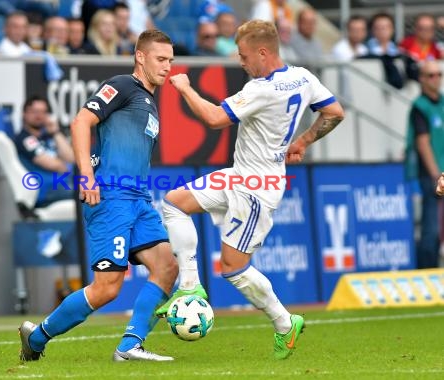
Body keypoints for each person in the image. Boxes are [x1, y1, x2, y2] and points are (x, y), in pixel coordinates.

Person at [155, 19, 344, 360]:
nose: (240, 62)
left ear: (262, 52)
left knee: (233, 268)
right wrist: (303, 140)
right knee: (173, 203)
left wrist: (183, 87)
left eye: (243, 56)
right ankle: (189, 287)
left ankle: (285, 323)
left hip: (256, 189)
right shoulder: (302, 77)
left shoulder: (262, 89)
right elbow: (334, 111)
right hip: (241, 176)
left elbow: (214, 119)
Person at [18, 29, 179, 362]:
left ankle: (130, 345)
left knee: (166, 268)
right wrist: (87, 177)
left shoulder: (149, 100)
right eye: (161, 59)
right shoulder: (122, 85)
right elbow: (80, 122)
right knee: (107, 287)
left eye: (171, 60)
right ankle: (36, 338)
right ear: (140, 56)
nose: (167, 67)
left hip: (138, 198)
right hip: (112, 196)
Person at [405, 61, 444, 269]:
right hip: (433, 175)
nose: (436, 78)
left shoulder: (443, 102)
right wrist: (436, 175)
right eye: (430, 75)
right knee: (431, 228)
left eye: (438, 74)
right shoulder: (420, 106)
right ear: (421, 79)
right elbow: (422, 143)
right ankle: (427, 273)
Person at [14, 95, 75, 207]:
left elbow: (71, 158)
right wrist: (63, 165)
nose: (39, 116)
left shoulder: (48, 136)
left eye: (43, 112)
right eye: (35, 112)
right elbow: (56, 166)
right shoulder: (24, 139)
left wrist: (55, 132)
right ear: (24, 114)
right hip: (44, 189)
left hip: (62, 184)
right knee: (88, 191)